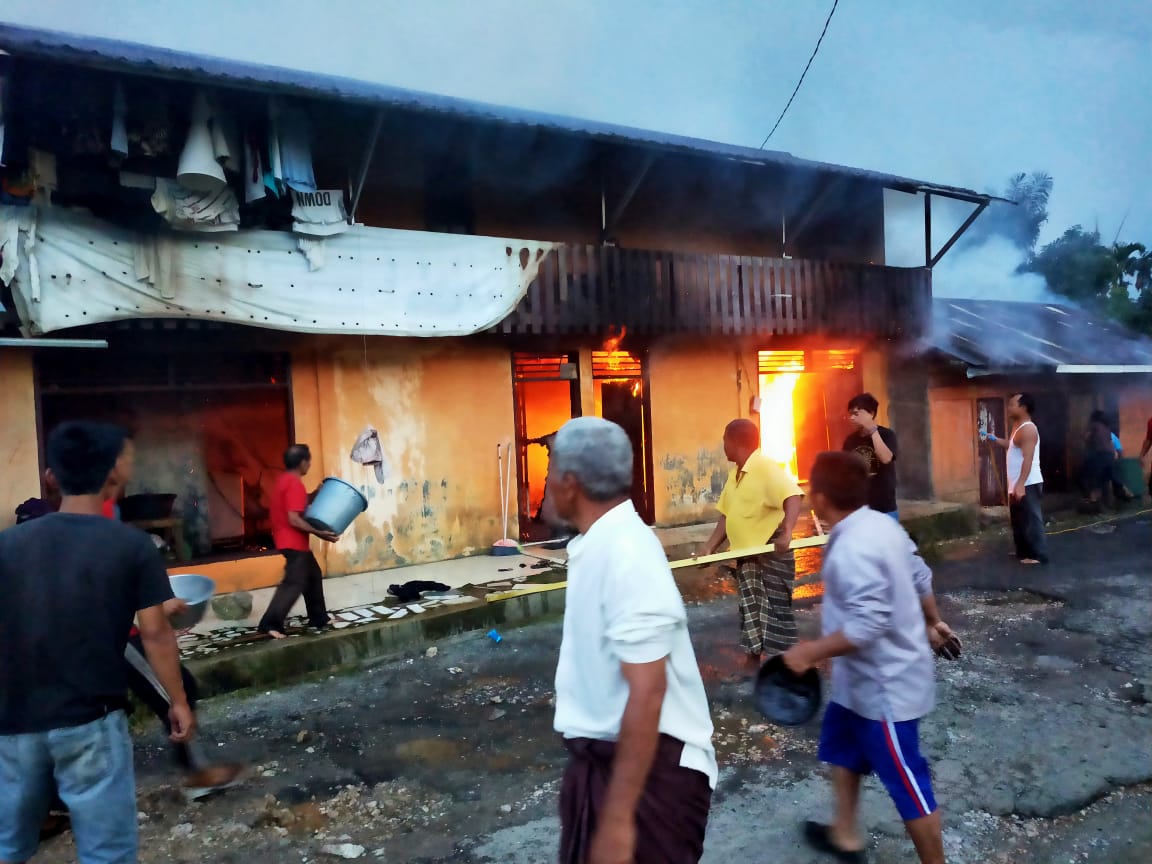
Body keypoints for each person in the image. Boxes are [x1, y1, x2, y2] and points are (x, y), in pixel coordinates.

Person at [0, 422, 194, 864]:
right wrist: (176, 700)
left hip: (13, 724)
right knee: (106, 854)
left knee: (7, 846)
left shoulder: (7, 546)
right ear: (113, 474)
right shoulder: (131, 546)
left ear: (52, 476)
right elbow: (155, 632)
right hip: (91, 723)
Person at [543, 417, 716, 863]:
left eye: (548, 472)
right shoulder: (598, 541)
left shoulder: (626, 552)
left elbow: (648, 689)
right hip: (606, 765)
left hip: (652, 777)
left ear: (569, 483)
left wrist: (618, 821)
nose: (544, 484)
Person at [783, 451, 959, 864]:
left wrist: (810, 651)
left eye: (810, 490)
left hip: (887, 690)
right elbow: (919, 573)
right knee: (841, 748)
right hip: (856, 683)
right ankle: (844, 834)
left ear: (820, 497)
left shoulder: (853, 547)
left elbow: (869, 626)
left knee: (908, 783)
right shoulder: (881, 524)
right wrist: (933, 621)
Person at [700, 418, 804, 666]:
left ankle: (786, 668)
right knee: (750, 611)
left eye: (725, 441)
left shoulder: (765, 467)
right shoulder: (736, 473)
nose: (723, 446)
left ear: (735, 442)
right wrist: (709, 548)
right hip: (748, 557)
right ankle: (753, 661)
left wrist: (787, 531)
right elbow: (727, 514)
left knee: (775, 612)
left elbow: (793, 495)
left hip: (769, 553)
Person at [257, 444, 339, 639]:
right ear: (303, 462)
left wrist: (317, 492)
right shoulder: (294, 484)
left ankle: (319, 618)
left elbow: (299, 503)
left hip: (288, 540)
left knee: (313, 575)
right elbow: (294, 518)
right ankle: (270, 623)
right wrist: (321, 533)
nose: (309, 464)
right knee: (294, 583)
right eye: (308, 461)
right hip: (293, 541)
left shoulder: (284, 481)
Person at [981, 393, 1048, 565]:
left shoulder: (1028, 429)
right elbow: (1012, 446)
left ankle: (1038, 555)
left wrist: (1020, 484)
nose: (1008, 407)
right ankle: (1023, 551)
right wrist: (995, 440)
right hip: (1017, 483)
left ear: (1023, 407)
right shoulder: (1018, 426)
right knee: (1018, 519)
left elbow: (1028, 458)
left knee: (1031, 519)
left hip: (1028, 482)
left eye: (1012, 405)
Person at [842, 392, 899, 519]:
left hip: (884, 508)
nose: (852, 418)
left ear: (871, 414)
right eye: (850, 414)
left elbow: (885, 458)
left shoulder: (887, 435)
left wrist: (872, 430)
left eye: (856, 414)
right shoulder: (850, 441)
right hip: (859, 509)